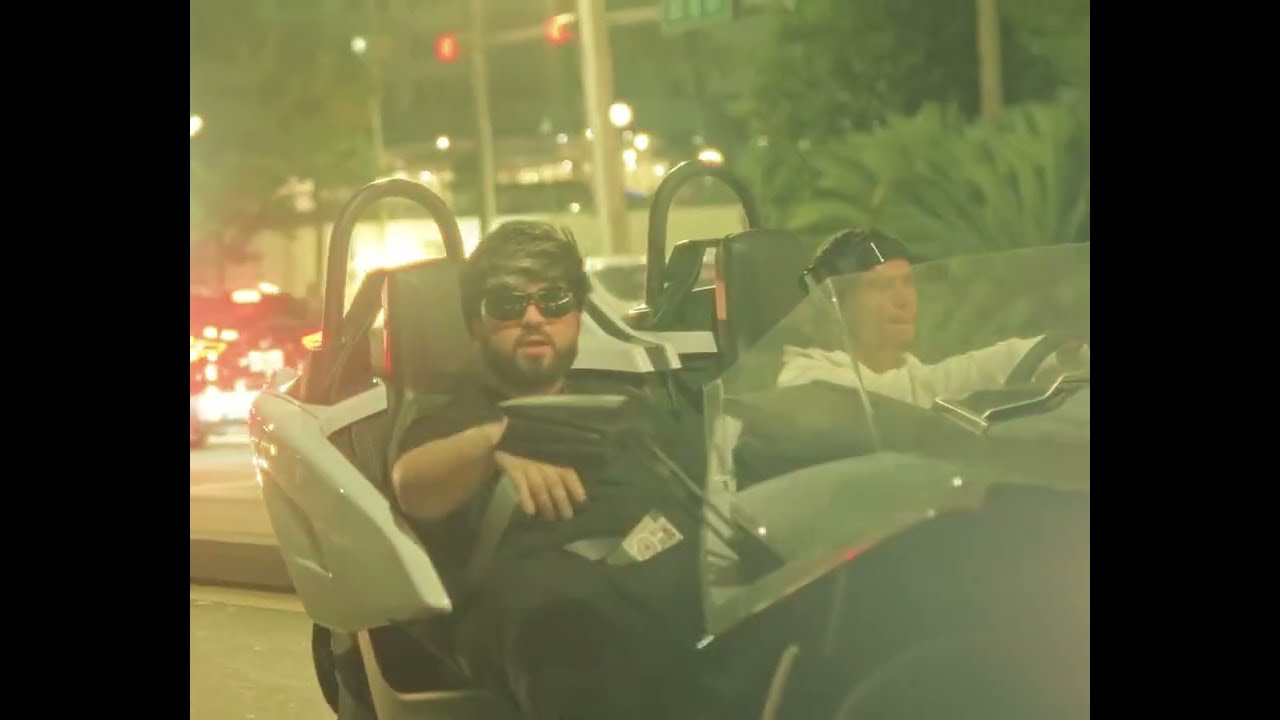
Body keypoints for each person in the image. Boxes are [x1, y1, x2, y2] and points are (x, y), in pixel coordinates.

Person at [388, 220, 706, 720]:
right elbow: (413, 486)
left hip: (659, 595)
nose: (534, 318)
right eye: (507, 304)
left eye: (554, 300)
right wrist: (494, 444)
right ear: (475, 325)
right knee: (574, 635)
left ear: (577, 316)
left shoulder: (627, 407)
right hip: (553, 626)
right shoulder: (453, 418)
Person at [777, 228, 1087, 407]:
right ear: (832, 304)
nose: (903, 299)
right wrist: (1041, 353)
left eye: (907, 283)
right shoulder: (804, 381)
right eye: (881, 287)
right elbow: (909, 395)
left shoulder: (914, 373)